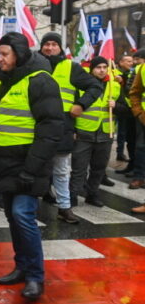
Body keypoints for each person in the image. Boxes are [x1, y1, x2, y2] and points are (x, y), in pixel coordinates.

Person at [0, 32, 63, 301]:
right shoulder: (2, 81)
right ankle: (21, 267)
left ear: (19, 55)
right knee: (12, 217)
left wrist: (31, 170)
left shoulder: (41, 81)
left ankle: (35, 277)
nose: (0, 59)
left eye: (5, 54)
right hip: (4, 163)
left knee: (22, 215)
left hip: (29, 164)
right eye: (0, 54)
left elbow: (51, 129)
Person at [37, 32, 104, 223]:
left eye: (54, 44)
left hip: (62, 126)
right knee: (35, 167)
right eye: (46, 44)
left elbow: (95, 87)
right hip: (37, 124)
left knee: (60, 170)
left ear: (60, 47)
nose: (49, 48)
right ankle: (30, 206)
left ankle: (64, 208)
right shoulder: (33, 64)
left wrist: (81, 105)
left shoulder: (71, 67)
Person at [70, 56, 125, 207]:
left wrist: (116, 106)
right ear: (91, 69)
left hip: (105, 133)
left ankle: (92, 194)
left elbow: (125, 109)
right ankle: (72, 195)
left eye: (104, 67)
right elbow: (73, 109)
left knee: (99, 168)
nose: (101, 70)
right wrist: (73, 129)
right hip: (84, 132)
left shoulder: (115, 86)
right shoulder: (81, 85)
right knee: (79, 168)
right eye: (98, 67)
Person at [125, 50, 145, 190]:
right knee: (141, 147)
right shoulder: (143, 69)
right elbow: (134, 92)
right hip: (144, 118)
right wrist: (138, 112)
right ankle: (139, 177)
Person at [114, 55, 135, 163]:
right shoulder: (113, 72)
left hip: (124, 107)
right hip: (114, 105)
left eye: (131, 61)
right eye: (128, 61)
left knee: (122, 132)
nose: (131, 63)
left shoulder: (130, 74)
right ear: (121, 62)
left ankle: (120, 153)